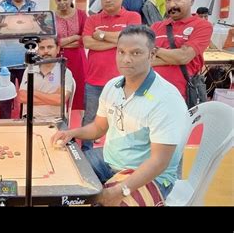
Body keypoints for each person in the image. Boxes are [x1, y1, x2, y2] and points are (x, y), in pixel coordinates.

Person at [51, 25, 188, 206]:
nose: (126, 59)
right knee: (59, 187)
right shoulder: (113, 86)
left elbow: (159, 162)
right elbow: (99, 127)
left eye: (136, 53)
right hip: (109, 160)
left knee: (109, 202)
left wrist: (120, 190)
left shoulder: (166, 99)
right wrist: (72, 133)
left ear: (152, 54)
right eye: (121, 52)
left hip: (150, 175)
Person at [81, 0, 141, 151]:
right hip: (94, 80)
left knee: (124, 120)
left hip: (123, 82)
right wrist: (119, 42)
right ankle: (86, 152)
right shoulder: (92, 19)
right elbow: (87, 42)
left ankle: (121, 154)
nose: (107, 0)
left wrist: (101, 35)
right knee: (90, 118)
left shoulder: (133, 16)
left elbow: (133, 40)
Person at [151, 0, 213, 100]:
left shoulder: (202, 25)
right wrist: (175, 57)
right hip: (152, 93)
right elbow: (142, 59)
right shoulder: (156, 27)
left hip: (183, 95)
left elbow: (184, 57)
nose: (172, 4)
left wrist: (155, 51)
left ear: (191, 1)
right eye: (168, 0)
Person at [0, 0, 37, 119]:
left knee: (27, 97)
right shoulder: (0, 7)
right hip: (6, 62)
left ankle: (25, 125)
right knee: (5, 98)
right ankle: (5, 127)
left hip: (26, 60)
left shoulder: (33, 6)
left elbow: (37, 29)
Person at [18, 36, 73, 119]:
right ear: (37, 50)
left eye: (50, 47)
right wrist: (51, 99)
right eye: (42, 48)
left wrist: (32, 92)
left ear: (58, 49)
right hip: (29, 119)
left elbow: (59, 100)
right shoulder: (30, 69)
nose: (46, 51)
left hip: (55, 120)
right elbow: (22, 97)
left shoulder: (64, 72)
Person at [54, 0, 88, 112]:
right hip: (57, 59)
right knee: (58, 88)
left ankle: (77, 122)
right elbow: (51, 42)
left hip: (78, 59)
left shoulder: (81, 15)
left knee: (79, 88)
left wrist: (61, 42)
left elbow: (85, 38)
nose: (62, 2)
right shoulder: (51, 17)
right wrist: (74, 37)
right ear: (55, 0)